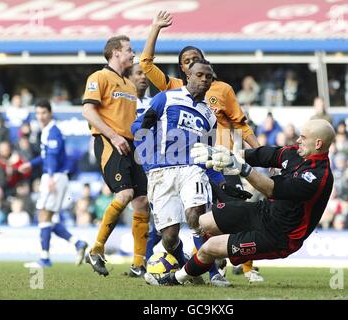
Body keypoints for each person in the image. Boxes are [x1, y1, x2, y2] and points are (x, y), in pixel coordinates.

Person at [140, 10, 261, 282]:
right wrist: (156, 28)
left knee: (205, 217)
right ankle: (186, 265)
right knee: (170, 235)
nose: (201, 73)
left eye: (201, 65)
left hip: (211, 163)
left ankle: (235, 269)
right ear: (184, 71)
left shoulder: (220, 95)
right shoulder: (168, 92)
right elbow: (146, 65)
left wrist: (260, 154)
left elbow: (240, 123)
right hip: (166, 168)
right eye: (188, 63)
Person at [144, 119, 336, 286]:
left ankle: (176, 278)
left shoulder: (319, 177)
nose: (297, 140)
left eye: (303, 137)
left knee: (209, 248)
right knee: (203, 222)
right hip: (263, 212)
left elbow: (271, 189)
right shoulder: (295, 153)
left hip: (280, 236)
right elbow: (261, 155)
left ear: (318, 143)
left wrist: (240, 167)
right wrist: (224, 154)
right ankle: (196, 262)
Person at [133, 59, 232, 287]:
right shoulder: (166, 98)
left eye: (208, 77)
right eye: (200, 75)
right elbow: (136, 128)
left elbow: (206, 153)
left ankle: (214, 273)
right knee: (168, 237)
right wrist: (145, 137)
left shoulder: (209, 115)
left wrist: (222, 182)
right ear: (188, 75)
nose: (204, 80)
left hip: (192, 169)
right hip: (161, 171)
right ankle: (190, 267)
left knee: (196, 216)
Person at [82, 35, 149, 277]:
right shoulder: (99, 77)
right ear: (115, 53)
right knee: (126, 193)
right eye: (129, 50)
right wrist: (113, 136)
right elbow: (88, 110)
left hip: (131, 146)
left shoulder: (130, 86)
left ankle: (139, 264)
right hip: (110, 142)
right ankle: (96, 249)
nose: (133, 54)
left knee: (142, 201)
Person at [19, 99, 88, 267]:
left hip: (54, 176)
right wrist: (31, 164)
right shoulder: (47, 131)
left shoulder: (54, 132)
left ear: (50, 113)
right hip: (55, 176)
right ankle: (77, 243)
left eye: (44, 113)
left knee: (43, 214)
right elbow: (45, 155)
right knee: (48, 218)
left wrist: (49, 176)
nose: (41, 116)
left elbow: (52, 157)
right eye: (38, 113)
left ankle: (45, 259)